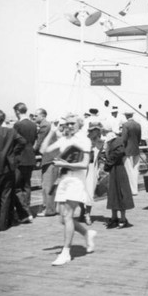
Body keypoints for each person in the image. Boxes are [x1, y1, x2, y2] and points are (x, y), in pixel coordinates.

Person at [40, 114, 96, 266]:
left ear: (79, 125)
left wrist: (63, 164)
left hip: (76, 180)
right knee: (62, 217)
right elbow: (43, 150)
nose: (69, 126)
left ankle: (66, 253)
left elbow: (85, 164)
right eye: (67, 124)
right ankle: (87, 233)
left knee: (68, 215)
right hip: (64, 179)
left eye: (72, 124)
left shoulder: (84, 140)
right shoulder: (64, 139)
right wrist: (51, 131)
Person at [101, 123, 134, 228]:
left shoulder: (117, 141)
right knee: (112, 193)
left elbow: (119, 152)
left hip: (118, 169)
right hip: (113, 169)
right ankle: (114, 217)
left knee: (120, 192)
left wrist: (108, 163)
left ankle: (123, 218)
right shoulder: (110, 142)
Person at [12, 102, 38, 223]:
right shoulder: (33, 125)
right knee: (27, 186)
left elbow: (15, 141)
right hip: (30, 157)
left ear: (17, 111)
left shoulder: (18, 125)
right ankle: (28, 210)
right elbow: (34, 141)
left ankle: (24, 212)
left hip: (20, 158)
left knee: (17, 186)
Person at [34, 108, 59, 217]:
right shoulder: (47, 125)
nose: (34, 118)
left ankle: (49, 210)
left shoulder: (45, 126)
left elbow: (39, 143)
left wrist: (31, 152)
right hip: (51, 158)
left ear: (42, 116)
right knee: (49, 184)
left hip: (49, 159)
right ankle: (51, 208)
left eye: (36, 116)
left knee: (47, 185)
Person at [80, 121, 104, 225]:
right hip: (81, 168)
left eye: (98, 130)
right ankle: (82, 211)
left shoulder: (100, 143)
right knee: (80, 191)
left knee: (90, 192)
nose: (96, 132)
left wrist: (101, 170)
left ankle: (87, 214)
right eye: (95, 130)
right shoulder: (83, 140)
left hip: (92, 169)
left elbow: (100, 157)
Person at [121, 111, 142, 196]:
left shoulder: (125, 125)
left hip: (127, 150)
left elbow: (124, 139)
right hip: (136, 149)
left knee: (129, 170)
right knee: (135, 170)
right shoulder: (138, 125)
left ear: (126, 116)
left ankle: (132, 190)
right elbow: (139, 138)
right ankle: (135, 189)